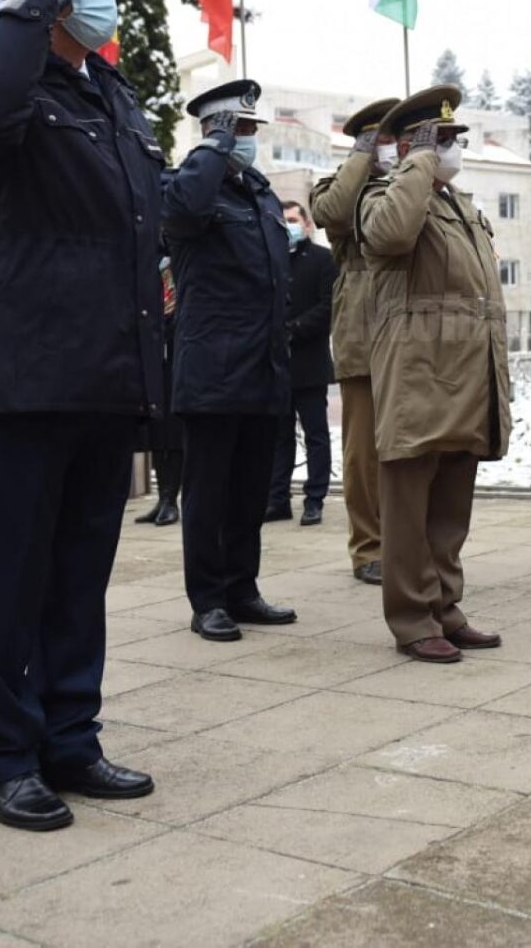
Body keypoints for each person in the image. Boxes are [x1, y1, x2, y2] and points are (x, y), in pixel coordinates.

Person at [0, 0, 166, 830]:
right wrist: (24, 12)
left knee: (79, 577)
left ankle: (72, 738)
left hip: (105, 374)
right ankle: (5, 757)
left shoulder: (112, 97)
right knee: (12, 581)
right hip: (27, 377)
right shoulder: (1, 85)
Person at [357, 85, 510, 663]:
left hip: (464, 376)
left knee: (449, 510)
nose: (450, 148)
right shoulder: (383, 195)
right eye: (438, 138)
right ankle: (412, 618)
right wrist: (416, 162)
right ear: (409, 146)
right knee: (408, 509)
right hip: (418, 377)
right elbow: (391, 235)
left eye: (451, 138)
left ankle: (445, 607)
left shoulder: (458, 204)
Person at [164, 79, 298, 643]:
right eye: (238, 129)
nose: (247, 138)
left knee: (248, 491)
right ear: (213, 132)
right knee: (208, 493)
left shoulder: (260, 193)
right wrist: (212, 149)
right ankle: (208, 600)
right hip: (213, 368)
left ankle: (243, 589)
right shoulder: (188, 187)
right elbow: (181, 213)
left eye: (250, 129)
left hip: (263, 366)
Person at [308, 96, 397, 584]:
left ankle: (407, 541)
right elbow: (335, 212)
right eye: (383, 139)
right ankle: (368, 547)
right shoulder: (337, 186)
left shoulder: (408, 183)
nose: (393, 147)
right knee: (364, 452)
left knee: (411, 446)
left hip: (413, 332)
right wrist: (363, 156)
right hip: (363, 331)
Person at [267, 200, 336, 527]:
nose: (289, 225)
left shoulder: (323, 259)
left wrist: (293, 329)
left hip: (310, 363)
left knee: (315, 435)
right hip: (277, 366)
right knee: (278, 437)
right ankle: (277, 499)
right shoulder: (272, 258)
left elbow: (329, 306)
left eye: (294, 219)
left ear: (307, 225)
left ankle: (314, 499)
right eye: (283, 220)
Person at [133, 257, 184, 528]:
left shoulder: (180, 267)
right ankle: (164, 495)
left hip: (179, 357)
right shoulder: (152, 267)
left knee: (173, 433)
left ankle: (170, 498)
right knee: (157, 432)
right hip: (155, 358)